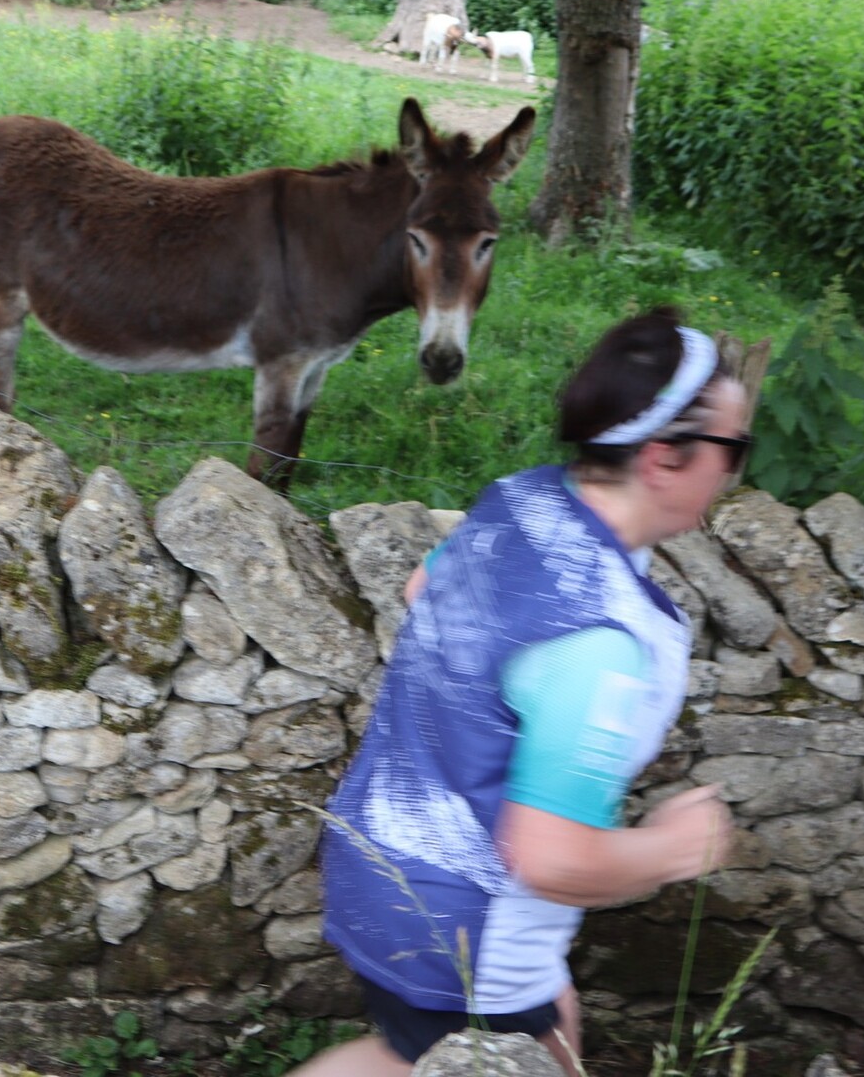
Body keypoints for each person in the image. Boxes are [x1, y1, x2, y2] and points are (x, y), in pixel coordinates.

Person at [305, 307, 744, 1077]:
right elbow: (549, 860)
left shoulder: (524, 501)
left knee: (527, 1035)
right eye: (733, 449)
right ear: (662, 459)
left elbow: (420, 589)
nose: (736, 472)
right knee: (419, 1061)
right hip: (463, 929)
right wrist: (672, 849)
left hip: (378, 850)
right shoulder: (600, 644)